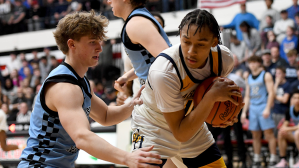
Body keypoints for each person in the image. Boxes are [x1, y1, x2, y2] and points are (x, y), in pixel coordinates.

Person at [18, 11, 162, 168]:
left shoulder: (80, 81)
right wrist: (127, 158)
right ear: (72, 44)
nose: (100, 48)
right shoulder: (64, 87)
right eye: (93, 42)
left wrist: (132, 104)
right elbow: (82, 137)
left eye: (99, 42)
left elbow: (106, 116)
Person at [130, 9, 242, 168]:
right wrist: (211, 98)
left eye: (200, 44)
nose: (191, 51)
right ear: (179, 37)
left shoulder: (224, 59)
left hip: (190, 126)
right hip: (151, 128)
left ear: (214, 42)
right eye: (186, 41)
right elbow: (180, 132)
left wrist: (229, 111)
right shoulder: (164, 71)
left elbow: (215, 94)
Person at [110, 0, 172, 91]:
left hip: (160, 93)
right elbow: (150, 62)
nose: (108, 1)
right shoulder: (137, 18)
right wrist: (127, 77)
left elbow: (169, 61)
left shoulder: (136, 24)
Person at [241, 56, 277, 167]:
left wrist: (267, 108)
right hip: (253, 108)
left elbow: (271, 92)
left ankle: (273, 157)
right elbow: (247, 96)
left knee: (268, 134)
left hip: (263, 106)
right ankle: (257, 158)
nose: (252, 65)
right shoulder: (249, 77)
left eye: (254, 62)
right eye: (250, 63)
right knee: (255, 135)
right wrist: (243, 112)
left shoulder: (266, 75)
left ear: (259, 63)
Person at [274, 89, 299, 168]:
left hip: (297, 133)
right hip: (295, 135)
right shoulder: (289, 110)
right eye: (295, 98)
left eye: (298, 98)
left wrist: (287, 129)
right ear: (292, 99)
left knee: (298, 133)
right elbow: (285, 123)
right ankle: (283, 160)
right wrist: (283, 129)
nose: (297, 100)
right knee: (281, 133)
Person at [272, 67, 291, 136]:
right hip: (275, 111)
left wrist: (274, 96)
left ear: (284, 74)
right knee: (274, 133)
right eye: (276, 73)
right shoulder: (275, 84)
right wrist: (276, 84)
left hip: (283, 112)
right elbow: (271, 96)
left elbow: (284, 100)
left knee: (281, 133)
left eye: (279, 73)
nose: (277, 75)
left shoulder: (287, 85)